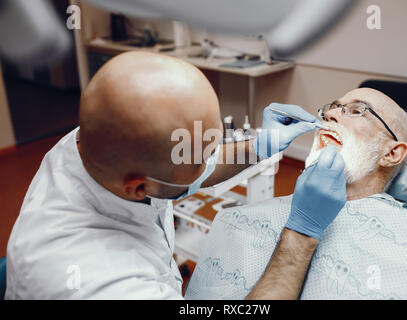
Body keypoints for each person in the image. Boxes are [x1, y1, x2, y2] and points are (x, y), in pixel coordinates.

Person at [5, 51, 345, 299]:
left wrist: (259, 145)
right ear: (140, 188)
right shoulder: (105, 283)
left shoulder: (97, 137)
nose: (214, 157)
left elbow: (182, 162)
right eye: (203, 158)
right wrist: (302, 233)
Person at [185, 88, 407, 300]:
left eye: (357, 111)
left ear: (391, 153)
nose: (331, 115)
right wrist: (258, 146)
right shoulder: (236, 221)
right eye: (331, 108)